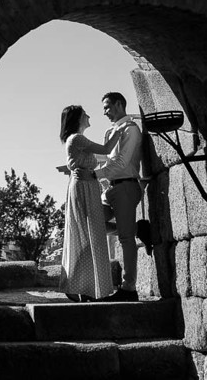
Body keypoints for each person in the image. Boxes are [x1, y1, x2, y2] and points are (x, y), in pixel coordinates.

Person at [57, 104, 122, 302]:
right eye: (85, 114)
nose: (89, 116)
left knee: (91, 233)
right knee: (89, 234)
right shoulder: (77, 138)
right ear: (78, 119)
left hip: (87, 186)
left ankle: (84, 287)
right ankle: (83, 288)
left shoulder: (76, 140)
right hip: (84, 187)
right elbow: (106, 149)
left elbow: (101, 156)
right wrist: (121, 128)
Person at [94, 92, 144, 302]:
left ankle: (129, 288)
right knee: (93, 221)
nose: (104, 112)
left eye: (107, 107)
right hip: (110, 189)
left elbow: (122, 162)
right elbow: (106, 160)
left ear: (119, 104)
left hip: (126, 186)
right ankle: (137, 229)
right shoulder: (110, 132)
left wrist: (94, 175)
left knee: (125, 239)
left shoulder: (131, 129)